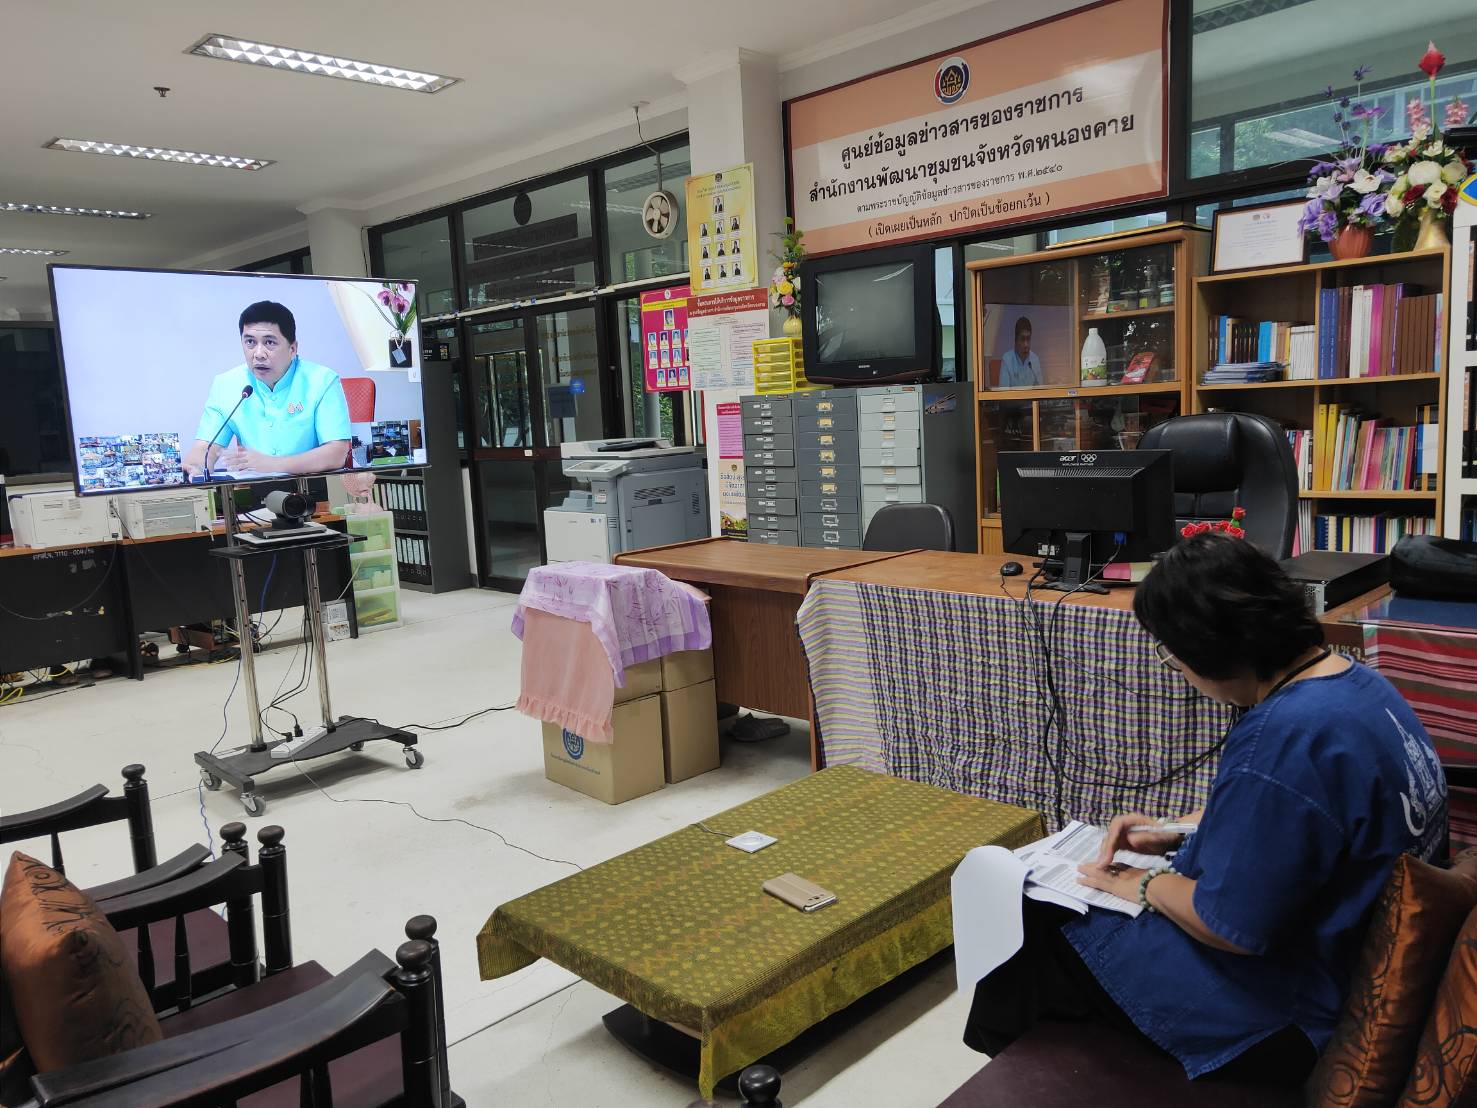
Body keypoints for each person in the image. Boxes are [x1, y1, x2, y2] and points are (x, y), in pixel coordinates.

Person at [964, 532, 1448, 1085]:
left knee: (1039, 924)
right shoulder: (1356, 685)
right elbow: (1296, 821)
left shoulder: (1282, 738)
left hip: (1301, 1010)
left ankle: (1040, 1083)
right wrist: (1173, 831)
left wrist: (1143, 886)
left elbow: (1234, 926)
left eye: (1171, 654)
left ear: (1208, 648)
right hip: (1366, 968)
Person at [182, 301, 351, 477]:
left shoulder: (321, 380)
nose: (259, 353)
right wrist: (195, 467)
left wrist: (273, 464)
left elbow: (337, 453)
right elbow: (205, 447)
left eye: (269, 342)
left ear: (292, 348)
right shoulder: (226, 385)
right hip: (256, 490)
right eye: (250, 342)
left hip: (315, 488)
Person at [998, 315, 1041, 387]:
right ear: (1016, 340)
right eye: (1022, 339)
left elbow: (1041, 390)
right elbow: (1003, 393)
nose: (1026, 344)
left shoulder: (1035, 359)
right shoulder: (1007, 359)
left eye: (1028, 339)